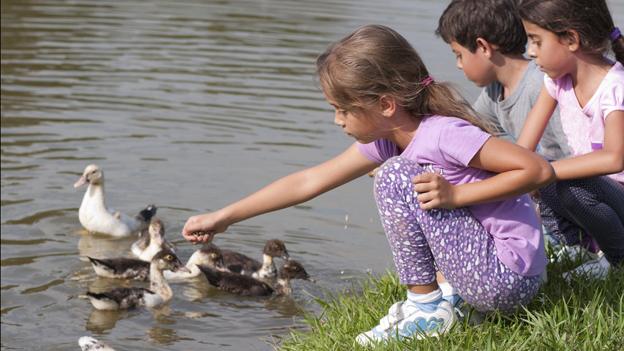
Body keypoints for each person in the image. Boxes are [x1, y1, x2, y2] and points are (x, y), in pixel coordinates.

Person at [181, 25, 555, 345]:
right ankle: (445, 302)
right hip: (485, 275)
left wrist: (457, 194)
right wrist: (224, 216)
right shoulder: (388, 139)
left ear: (386, 104)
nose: (337, 121)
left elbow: (536, 171)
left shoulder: (443, 134)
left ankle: (427, 310)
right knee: (397, 172)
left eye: (343, 109)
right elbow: (309, 181)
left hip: (507, 279)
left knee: (394, 176)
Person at [436, 0, 591, 260]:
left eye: (458, 54)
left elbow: (575, 152)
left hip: (574, 188)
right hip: (546, 187)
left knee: (532, 173)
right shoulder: (494, 93)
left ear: (483, 47)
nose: (458, 65)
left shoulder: (538, 84)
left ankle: (577, 246)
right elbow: (467, 133)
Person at [516, 0, 624, 279]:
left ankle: (617, 259)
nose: (530, 52)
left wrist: (545, 171)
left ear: (571, 39)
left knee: (567, 183)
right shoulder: (556, 82)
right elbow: (523, 151)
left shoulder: (615, 87)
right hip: (598, 191)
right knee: (540, 171)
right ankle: (580, 245)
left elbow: (614, 158)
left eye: (536, 41)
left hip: (617, 191)